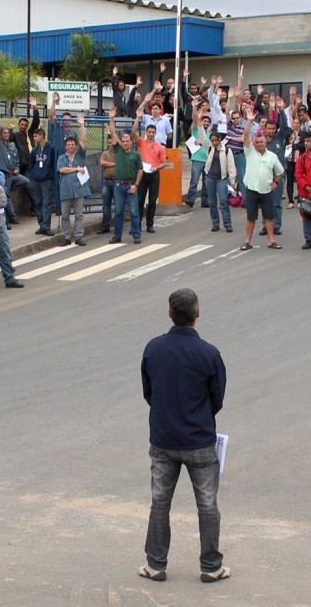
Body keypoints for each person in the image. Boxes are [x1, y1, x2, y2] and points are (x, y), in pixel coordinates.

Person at [139, 288, 230, 583]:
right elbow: (217, 398)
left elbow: (149, 393)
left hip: (163, 439)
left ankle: (155, 564)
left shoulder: (153, 348)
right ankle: (211, 566)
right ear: (197, 314)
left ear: (170, 314)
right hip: (200, 441)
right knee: (207, 505)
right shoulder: (209, 353)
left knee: (160, 503)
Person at [240, 106, 284, 250]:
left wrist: (275, 182)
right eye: (257, 142)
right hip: (252, 189)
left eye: (261, 142)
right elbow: (246, 136)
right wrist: (249, 121)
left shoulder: (272, 156)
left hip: (266, 191)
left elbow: (279, 171)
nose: (259, 144)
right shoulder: (250, 152)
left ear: (266, 143)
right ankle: (247, 241)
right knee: (251, 217)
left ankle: (271, 241)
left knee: (269, 217)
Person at [194, 112, 238, 233]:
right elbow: (202, 136)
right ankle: (215, 223)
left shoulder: (226, 150)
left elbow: (231, 166)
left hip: (222, 179)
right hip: (210, 178)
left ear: (219, 140)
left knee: (223, 201)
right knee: (212, 202)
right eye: (212, 140)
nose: (214, 143)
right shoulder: (209, 147)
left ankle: (227, 223)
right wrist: (199, 122)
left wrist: (233, 181)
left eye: (215, 140)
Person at [107, 108, 144, 244]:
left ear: (131, 142)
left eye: (128, 140)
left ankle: (136, 234)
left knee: (134, 211)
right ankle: (117, 236)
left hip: (131, 184)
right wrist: (111, 119)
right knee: (118, 212)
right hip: (119, 185)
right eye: (123, 141)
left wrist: (136, 185)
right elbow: (113, 134)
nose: (125, 142)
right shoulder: (118, 150)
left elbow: (140, 170)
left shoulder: (136, 155)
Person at [133, 98, 168, 233]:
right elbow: (134, 132)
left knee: (152, 200)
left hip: (154, 174)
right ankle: (138, 225)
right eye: (149, 132)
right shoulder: (142, 142)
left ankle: (150, 224)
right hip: (143, 173)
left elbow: (164, 163)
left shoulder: (159, 147)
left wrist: (156, 168)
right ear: (146, 132)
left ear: (156, 133)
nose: (151, 134)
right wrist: (138, 117)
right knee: (140, 199)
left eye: (153, 133)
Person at [57, 117, 89, 247]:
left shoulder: (80, 155)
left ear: (75, 146)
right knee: (65, 215)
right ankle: (66, 237)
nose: (70, 146)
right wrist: (76, 169)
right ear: (65, 146)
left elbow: (84, 141)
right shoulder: (61, 157)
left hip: (78, 189)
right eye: (68, 145)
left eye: (72, 144)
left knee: (79, 215)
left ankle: (78, 236)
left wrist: (82, 126)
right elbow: (61, 170)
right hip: (65, 189)